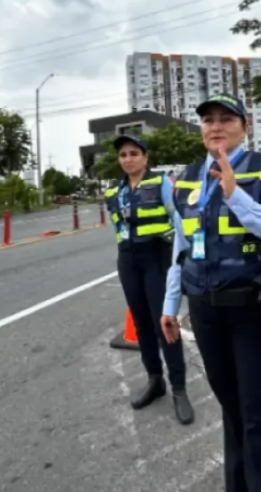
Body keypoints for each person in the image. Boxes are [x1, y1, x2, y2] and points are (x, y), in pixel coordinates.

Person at [160, 94, 261, 492]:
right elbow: (181, 247)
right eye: (207, 120)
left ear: (245, 127)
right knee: (233, 411)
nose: (216, 126)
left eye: (226, 119)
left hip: (255, 312)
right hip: (206, 313)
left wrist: (236, 195)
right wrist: (171, 303)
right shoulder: (185, 178)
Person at [105, 134, 194, 425]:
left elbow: (178, 220)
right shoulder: (115, 191)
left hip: (158, 259)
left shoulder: (162, 184)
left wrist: (182, 256)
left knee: (164, 323)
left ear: (145, 157)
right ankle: (155, 381)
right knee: (142, 324)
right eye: (123, 155)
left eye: (133, 153)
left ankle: (179, 388)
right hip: (128, 260)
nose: (128, 159)